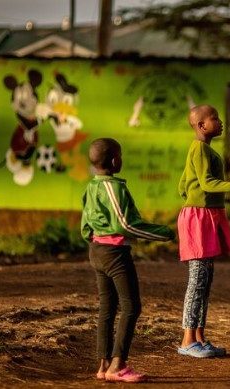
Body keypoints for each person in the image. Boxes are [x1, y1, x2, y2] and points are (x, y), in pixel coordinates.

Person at [81, 137, 175, 383]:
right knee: (132, 306)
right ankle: (118, 365)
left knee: (107, 308)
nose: (121, 159)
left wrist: (94, 240)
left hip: (97, 250)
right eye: (120, 155)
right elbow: (125, 224)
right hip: (115, 255)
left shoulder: (91, 186)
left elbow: (85, 224)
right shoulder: (114, 188)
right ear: (114, 160)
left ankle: (103, 366)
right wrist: (163, 233)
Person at [176, 104, 230, 358]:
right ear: (201, 125)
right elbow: (206, 183)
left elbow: (183, 184)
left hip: (207, 215)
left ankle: (199, 337)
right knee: (197, 280)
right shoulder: (198, 149)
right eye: (214, 118)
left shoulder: (205, 150)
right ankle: (187, 340)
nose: (220, 122)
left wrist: (193, 198)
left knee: (205, 281)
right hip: (199, 218)